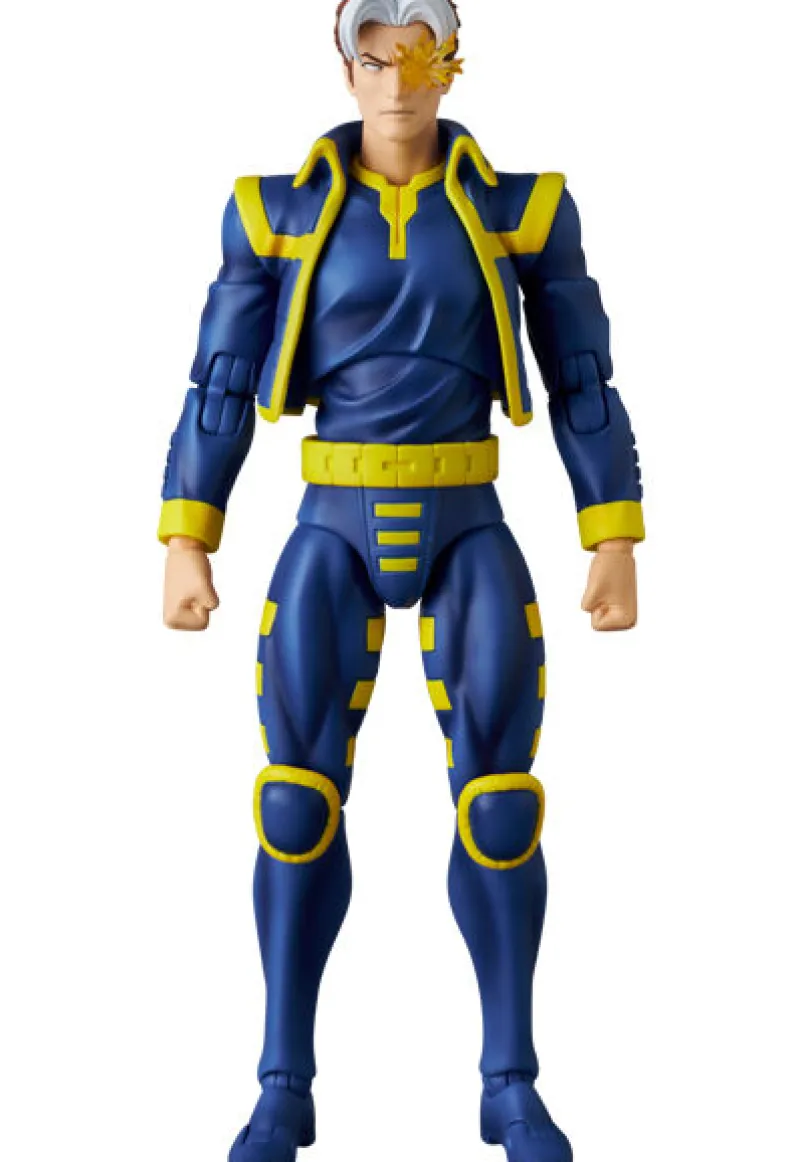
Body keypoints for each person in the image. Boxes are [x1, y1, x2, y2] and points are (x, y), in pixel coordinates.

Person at [159, 2, 644, 1159]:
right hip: (329, 515)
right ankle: (281, 1083)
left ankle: (508, 1080)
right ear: (344, 70)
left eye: (418, 59)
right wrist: (187, 529)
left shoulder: (520, 208)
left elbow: (580, 374)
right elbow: (219, 378)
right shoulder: (272, 213)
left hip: (467, 512)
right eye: (373, 59)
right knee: (293, 801)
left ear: (451, 67)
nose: (396, 83)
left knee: (499, 803)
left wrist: (611, 529)